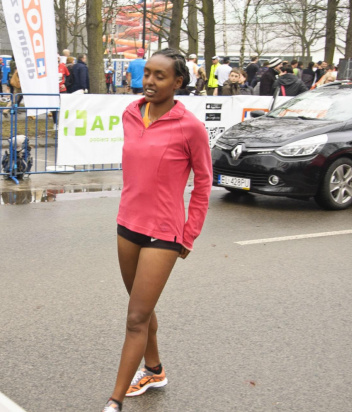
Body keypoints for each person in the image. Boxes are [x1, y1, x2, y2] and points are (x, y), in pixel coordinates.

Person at [102, 48, 212, 412]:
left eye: (159, 76)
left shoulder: (190, 127)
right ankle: (154, 369)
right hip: (127, 226)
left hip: (164, 233)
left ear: (178, 82)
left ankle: (114, 401)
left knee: (135, 318)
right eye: (146, 73)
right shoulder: (131, 113)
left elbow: (203, 183)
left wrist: (189, 233)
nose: (149, 81)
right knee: (141, 308)